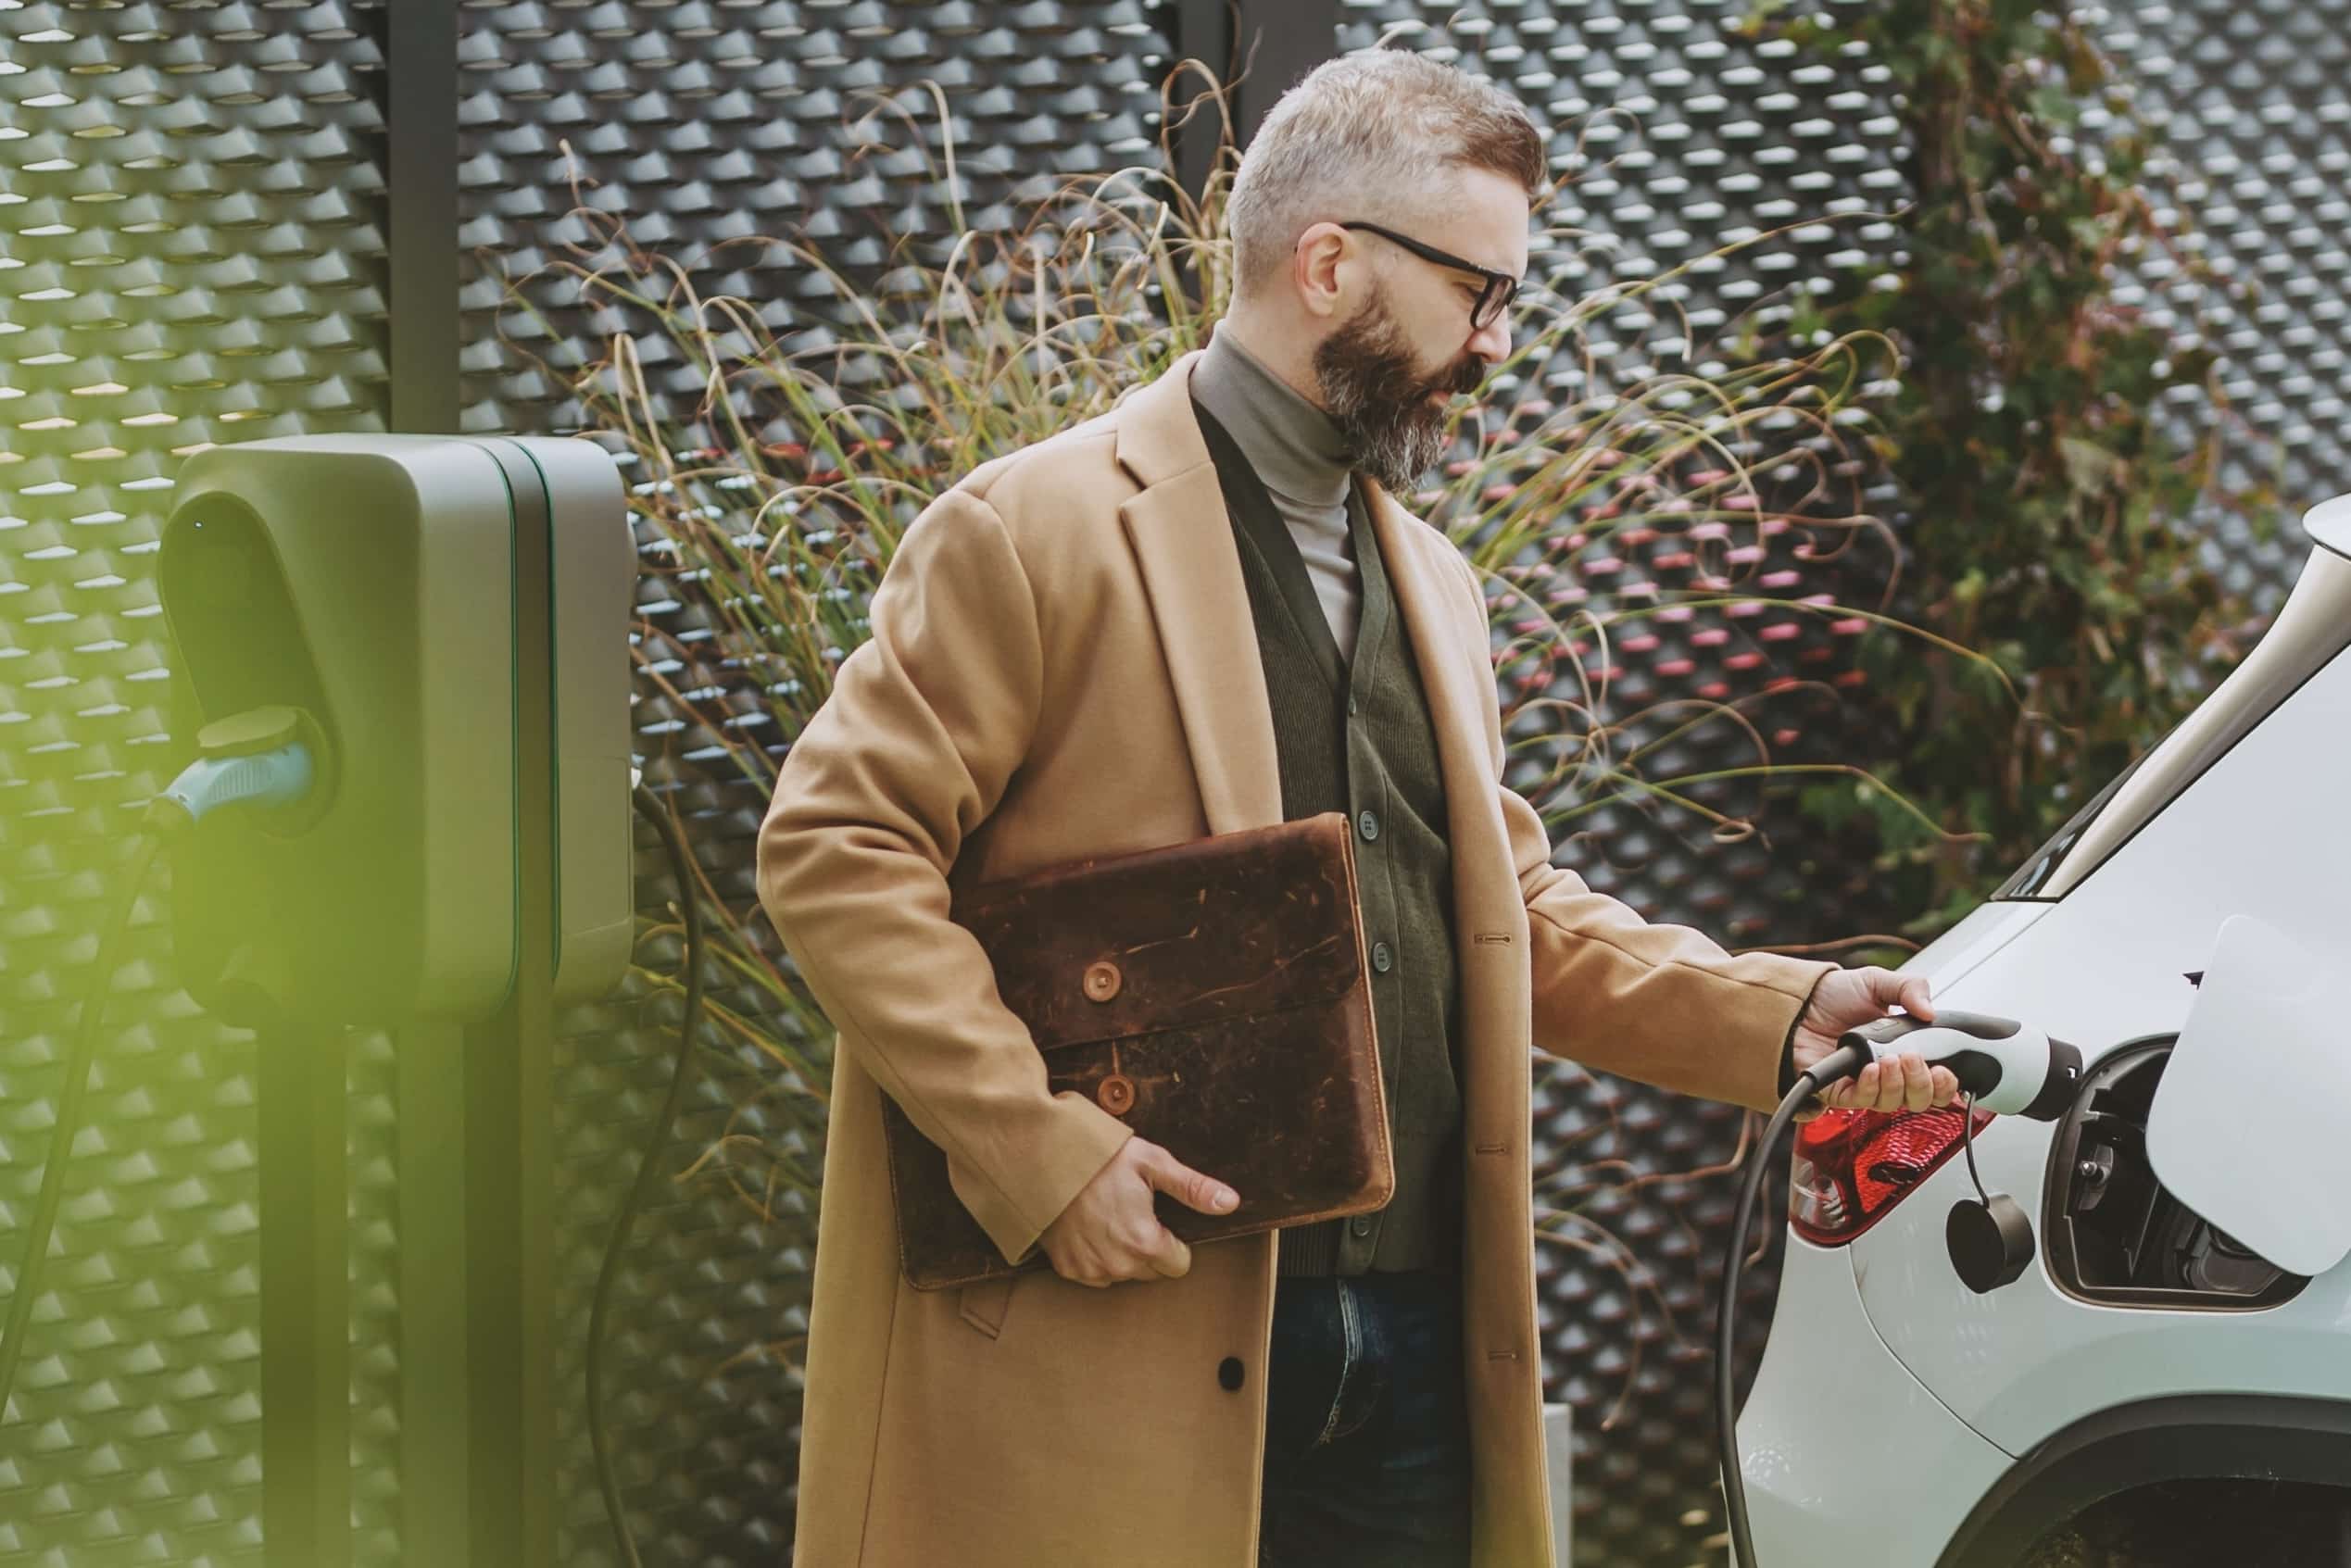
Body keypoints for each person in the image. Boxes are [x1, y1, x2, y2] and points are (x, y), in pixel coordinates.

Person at [755, 47, 1961, 1568]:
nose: (1497, 346)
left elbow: (1507, 919)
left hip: (1410, 1352)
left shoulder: (1436, 582)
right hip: (1111, 1330)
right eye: (1481, 293)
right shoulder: (1027, 532)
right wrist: (1039, 1153)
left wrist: (1782, 1021)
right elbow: (834, 850)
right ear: (1329, 265)